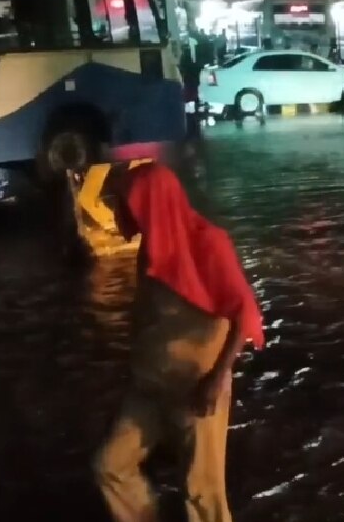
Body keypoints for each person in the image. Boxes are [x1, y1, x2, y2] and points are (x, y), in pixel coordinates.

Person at [94, 163, 264, 522]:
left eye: (126, 202)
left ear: (151, 204)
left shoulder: (208, 242)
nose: (119, 210)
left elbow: (243, 313)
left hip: (195, 387)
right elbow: (148, 322)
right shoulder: (152, 249)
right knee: (110, 466)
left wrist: (217, 378)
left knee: (202, 493)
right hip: (149, 385)